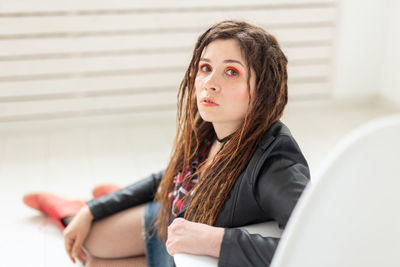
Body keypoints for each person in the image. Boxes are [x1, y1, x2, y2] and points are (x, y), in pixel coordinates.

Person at [23, 20, 310, 267]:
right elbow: (171, 177)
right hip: (172, 213)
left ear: (264, 88)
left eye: (231, 71)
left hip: (185, 246)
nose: (209, 82)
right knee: (89, 243)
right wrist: (93, 209)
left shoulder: (276, 160)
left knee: (94, 261)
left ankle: (85, 204)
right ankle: (81, 206)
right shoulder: (213, 127)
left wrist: (216, 241)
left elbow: (314, 245)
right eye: (205, 67)